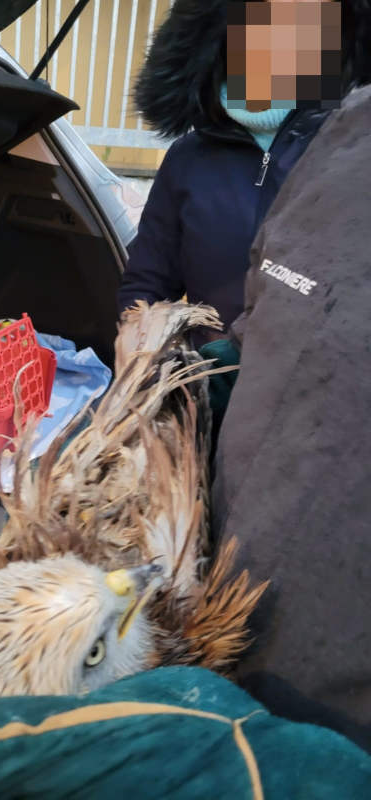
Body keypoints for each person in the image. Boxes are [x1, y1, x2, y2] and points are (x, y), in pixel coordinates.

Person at [212, 1, 371, 751]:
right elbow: (269, 291)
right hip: (217, 619)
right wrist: (222, 363)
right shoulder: (350, 130)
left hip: (337, 720)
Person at [118, 0, 332, 345]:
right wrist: (141, 346)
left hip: (315, 373)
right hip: (208, 369)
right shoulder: (188, 157)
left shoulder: (348, 152)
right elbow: (148, 282)